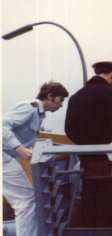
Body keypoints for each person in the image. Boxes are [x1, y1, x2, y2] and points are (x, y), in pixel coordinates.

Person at [65, 61, 112, 226]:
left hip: (87, 160)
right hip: (109, 160)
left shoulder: (75, 97)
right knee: (109, 203)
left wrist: (85, 146)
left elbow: (69, 129)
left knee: (90, 201)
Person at [3, 82, 69, 236]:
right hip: (4, 157)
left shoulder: (39, 115)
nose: (61, 105)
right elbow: (2, 125)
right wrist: (19, 148)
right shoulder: (29, 108)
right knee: (26, 202)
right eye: (60, 100)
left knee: (25, 201)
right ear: (50, 96)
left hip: (6, 157)